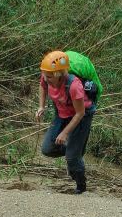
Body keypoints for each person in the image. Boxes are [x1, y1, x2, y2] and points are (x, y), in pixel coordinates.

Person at [36, 51, 94, 194]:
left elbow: (80, 113)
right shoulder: (47, 75)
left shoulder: (74, 86)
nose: (46, 79)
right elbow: (42, 86)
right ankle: (75, 152)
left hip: (81, 116)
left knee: (71, 158)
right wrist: (41, 106)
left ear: (59, 74)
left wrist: (64, 133)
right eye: (45, 75)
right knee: (47, 149)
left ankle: (81, 186)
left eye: (49, 77)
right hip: (62, 113)